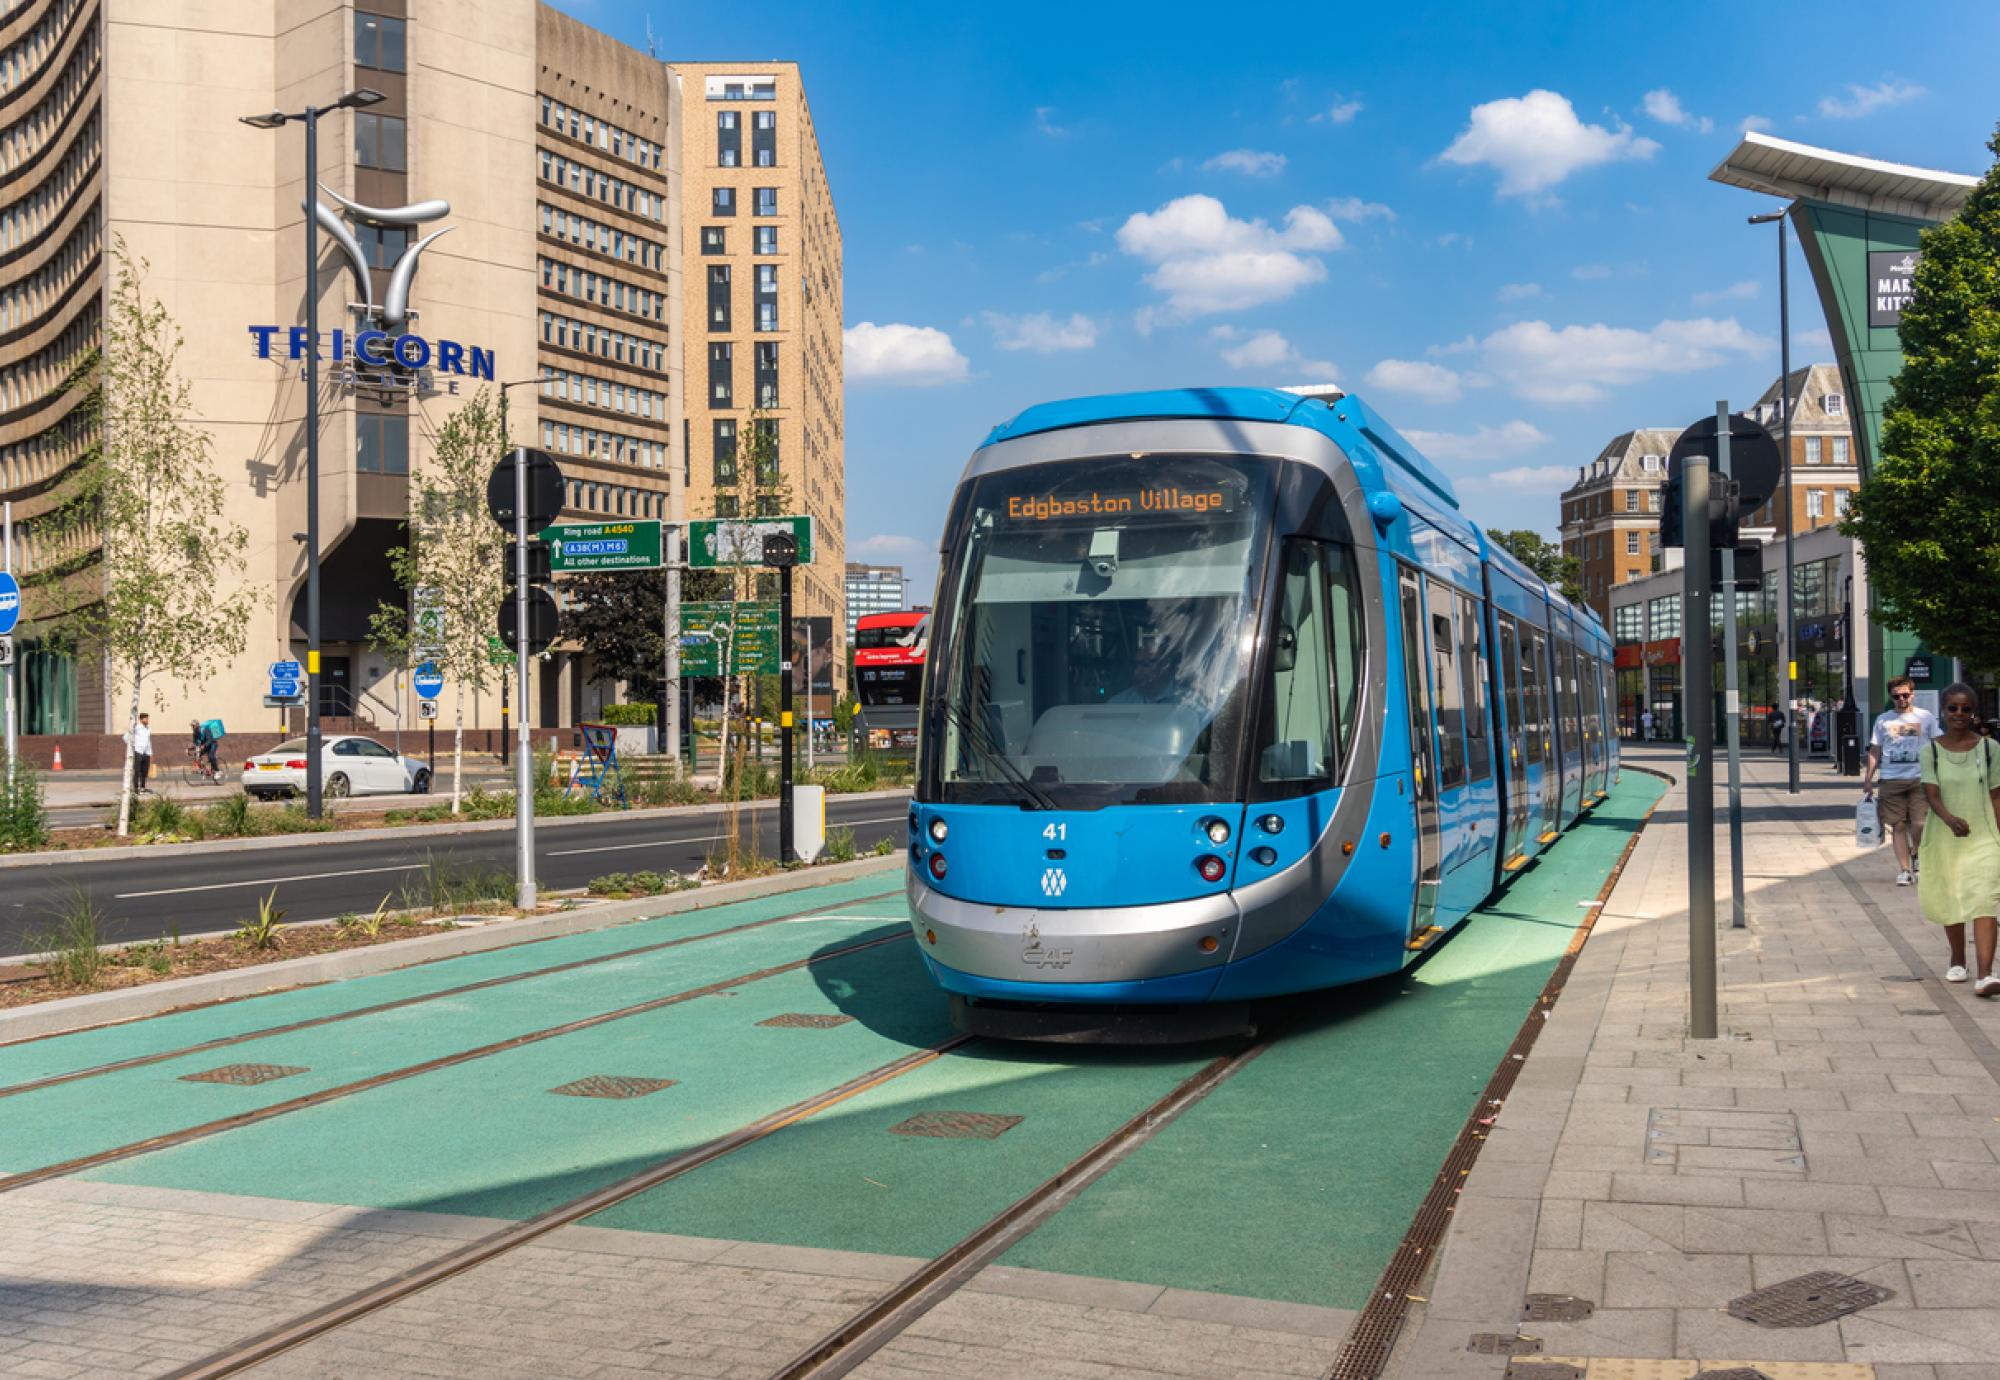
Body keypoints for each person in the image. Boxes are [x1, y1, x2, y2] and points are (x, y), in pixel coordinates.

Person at [1917, 683, 2000, 994]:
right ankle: (1957, 958)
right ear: (1944, 710)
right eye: (1953, 708)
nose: (1960, 714)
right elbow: (1931, 793)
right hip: (1945, 838)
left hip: (1984, 837)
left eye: (1966, 708)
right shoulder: (1931, 751)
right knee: (1952, 896)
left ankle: (1986, 975)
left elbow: (1996, 797)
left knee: (1983, 900)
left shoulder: (1990, 750)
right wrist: (1949, 819)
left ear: (1973, 711)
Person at [1863, 676, 1941, 885]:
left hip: (1920, 778)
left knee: (1919, 823)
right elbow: (1875, 750)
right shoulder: (1883, 720)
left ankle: (1915, 851)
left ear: (1912, 694)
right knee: (1897, 825)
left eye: (1905, 695)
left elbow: (1937, 745)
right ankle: (1905, 870)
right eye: (1896, 696)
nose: (1901, 699)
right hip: (1890, 779)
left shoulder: (1926, 717)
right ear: (1891, 697)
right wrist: (1868, 778)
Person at [126, 712, 153, 794]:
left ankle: (143, 787)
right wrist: (134, 746)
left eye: (148, 718)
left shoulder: (148, 728)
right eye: (146, 718)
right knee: (137, 771)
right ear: (141, 719)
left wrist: (151, 753)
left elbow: (148, 741)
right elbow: (126, 737)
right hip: (138, 751)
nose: (147, 720)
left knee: (145, 771)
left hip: (146, 752)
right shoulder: (136, 728)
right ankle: (136, 788)